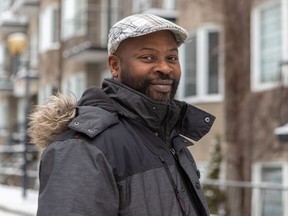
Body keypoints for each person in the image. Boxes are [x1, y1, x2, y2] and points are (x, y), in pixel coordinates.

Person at [28, 14, 215, 216]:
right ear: (115, 66)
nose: (165, 68)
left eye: (172, 58)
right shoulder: (82, 148)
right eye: (148, 57)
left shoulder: (167, 136)